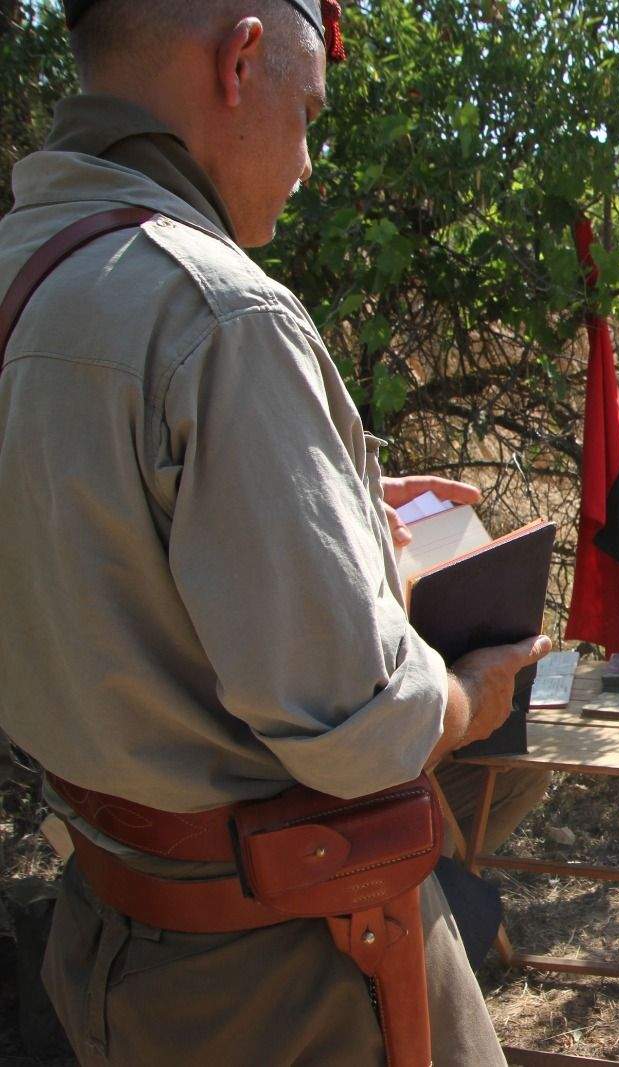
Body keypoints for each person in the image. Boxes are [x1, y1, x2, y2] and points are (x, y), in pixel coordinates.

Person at [0, 3, 544, 1062]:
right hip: (295, 971)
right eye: (307, 114)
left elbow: (104, 543)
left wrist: (341, 518)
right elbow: (360, 726)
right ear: (241, 58)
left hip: (108, 940)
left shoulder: (27, 267)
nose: (304, 164)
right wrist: (473, 698)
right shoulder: (215, 314)